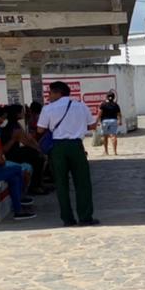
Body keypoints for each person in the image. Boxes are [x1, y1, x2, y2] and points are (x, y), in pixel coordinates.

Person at [37, 81, 98, 227]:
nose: (49, 95)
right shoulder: (81, 106)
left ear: (58, 93)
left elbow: (40, 130)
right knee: (82, 183)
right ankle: (85, 217)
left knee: (61, 183)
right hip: (76, 146)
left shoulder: (48, 109)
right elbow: (92, 125)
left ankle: (67, 218)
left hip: (58, 147)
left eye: (50, 92)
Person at [0, 103, 49, 194]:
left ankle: (39, 184)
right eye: (22, 112)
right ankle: (34, 186)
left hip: (15, 151)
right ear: (16, 114)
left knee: (37, 156)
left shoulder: (15, 124)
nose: (24, 113)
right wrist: (38, 150)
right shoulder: (13, 126)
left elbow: (28, 138)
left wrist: (37, 147)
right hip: (12, 154)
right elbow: (25, 141)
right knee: (38, 158)